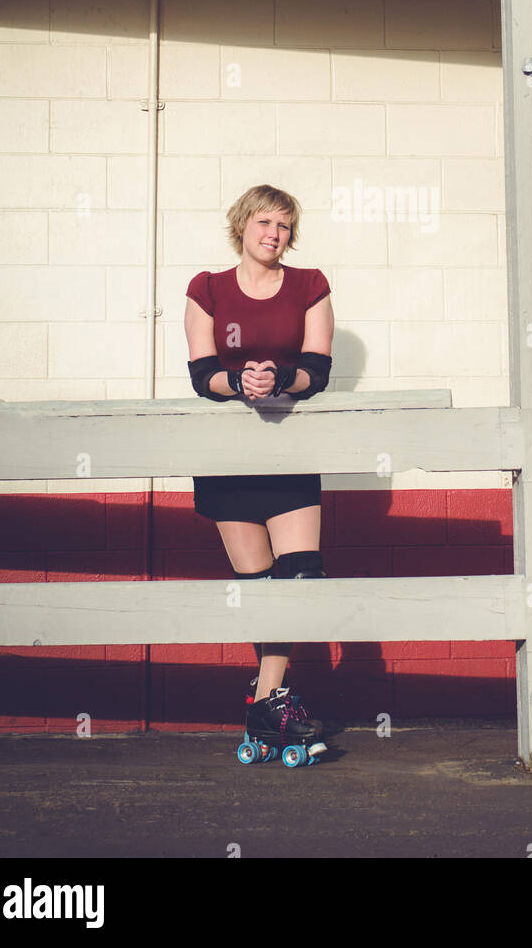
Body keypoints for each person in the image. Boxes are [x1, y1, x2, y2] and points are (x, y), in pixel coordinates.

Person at [183, 184, 334, 747]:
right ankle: (272, 706)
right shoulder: (207, 289)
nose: (275, 235)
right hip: (228, 457)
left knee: (298, 578)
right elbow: (202, 375)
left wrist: (281, 382)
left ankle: (268, 699)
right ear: (242, 224)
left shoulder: (310, 285)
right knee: (259, 584)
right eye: (266, 222)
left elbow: (317, 369)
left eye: (285, 227)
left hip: (290, 449)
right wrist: (239, 384)